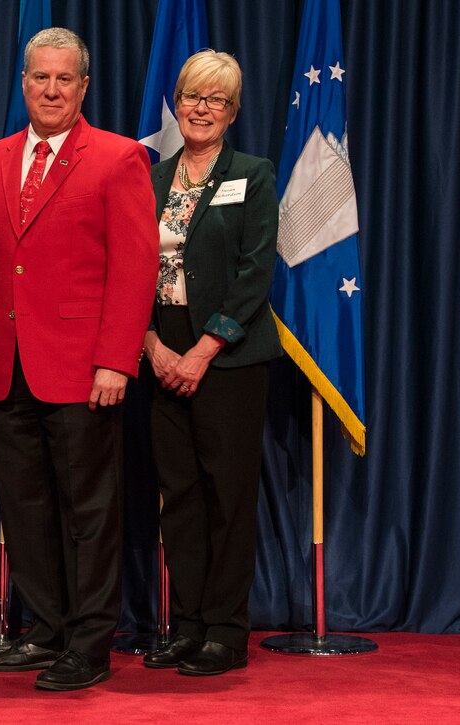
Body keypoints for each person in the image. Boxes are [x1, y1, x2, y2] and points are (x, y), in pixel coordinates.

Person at [0, 28, 159, 691]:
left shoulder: (119, 156)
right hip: (7, 364)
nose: (50, 89)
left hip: (82, 368)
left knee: (89, 510)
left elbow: (135, 268)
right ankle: (43, 629)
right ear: (23, 82)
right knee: (25, 506)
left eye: (64, 79)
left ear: (83, 87)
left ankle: (89, 642)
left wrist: (116, 360)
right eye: (40, 77)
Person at [139, 50, 280, 676]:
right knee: (181, 497)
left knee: (227, 496)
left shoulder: (254, 172)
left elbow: (255, 273)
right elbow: (125, 270)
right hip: (159, 351)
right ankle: (187, 626)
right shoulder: (148, 177)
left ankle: (225, 631)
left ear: (233, 112)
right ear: (177, 100)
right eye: (194, 96)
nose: (202, 109)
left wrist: (201, 350)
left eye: (217, 100)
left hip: (229, 358)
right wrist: (150, 343)